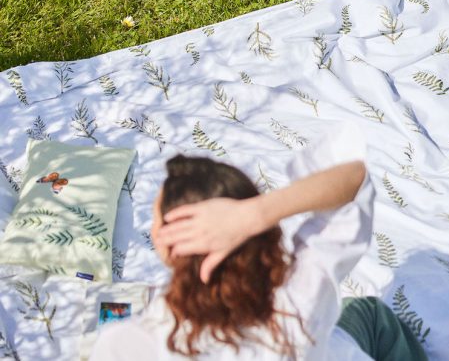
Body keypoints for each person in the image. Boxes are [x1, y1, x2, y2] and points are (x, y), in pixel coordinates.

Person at [89, 152, 428, 360]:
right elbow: (355, 179)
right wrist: (257, 213)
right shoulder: (298, 301)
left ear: (167, 242)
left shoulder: (127, 345)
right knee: (368, 312)